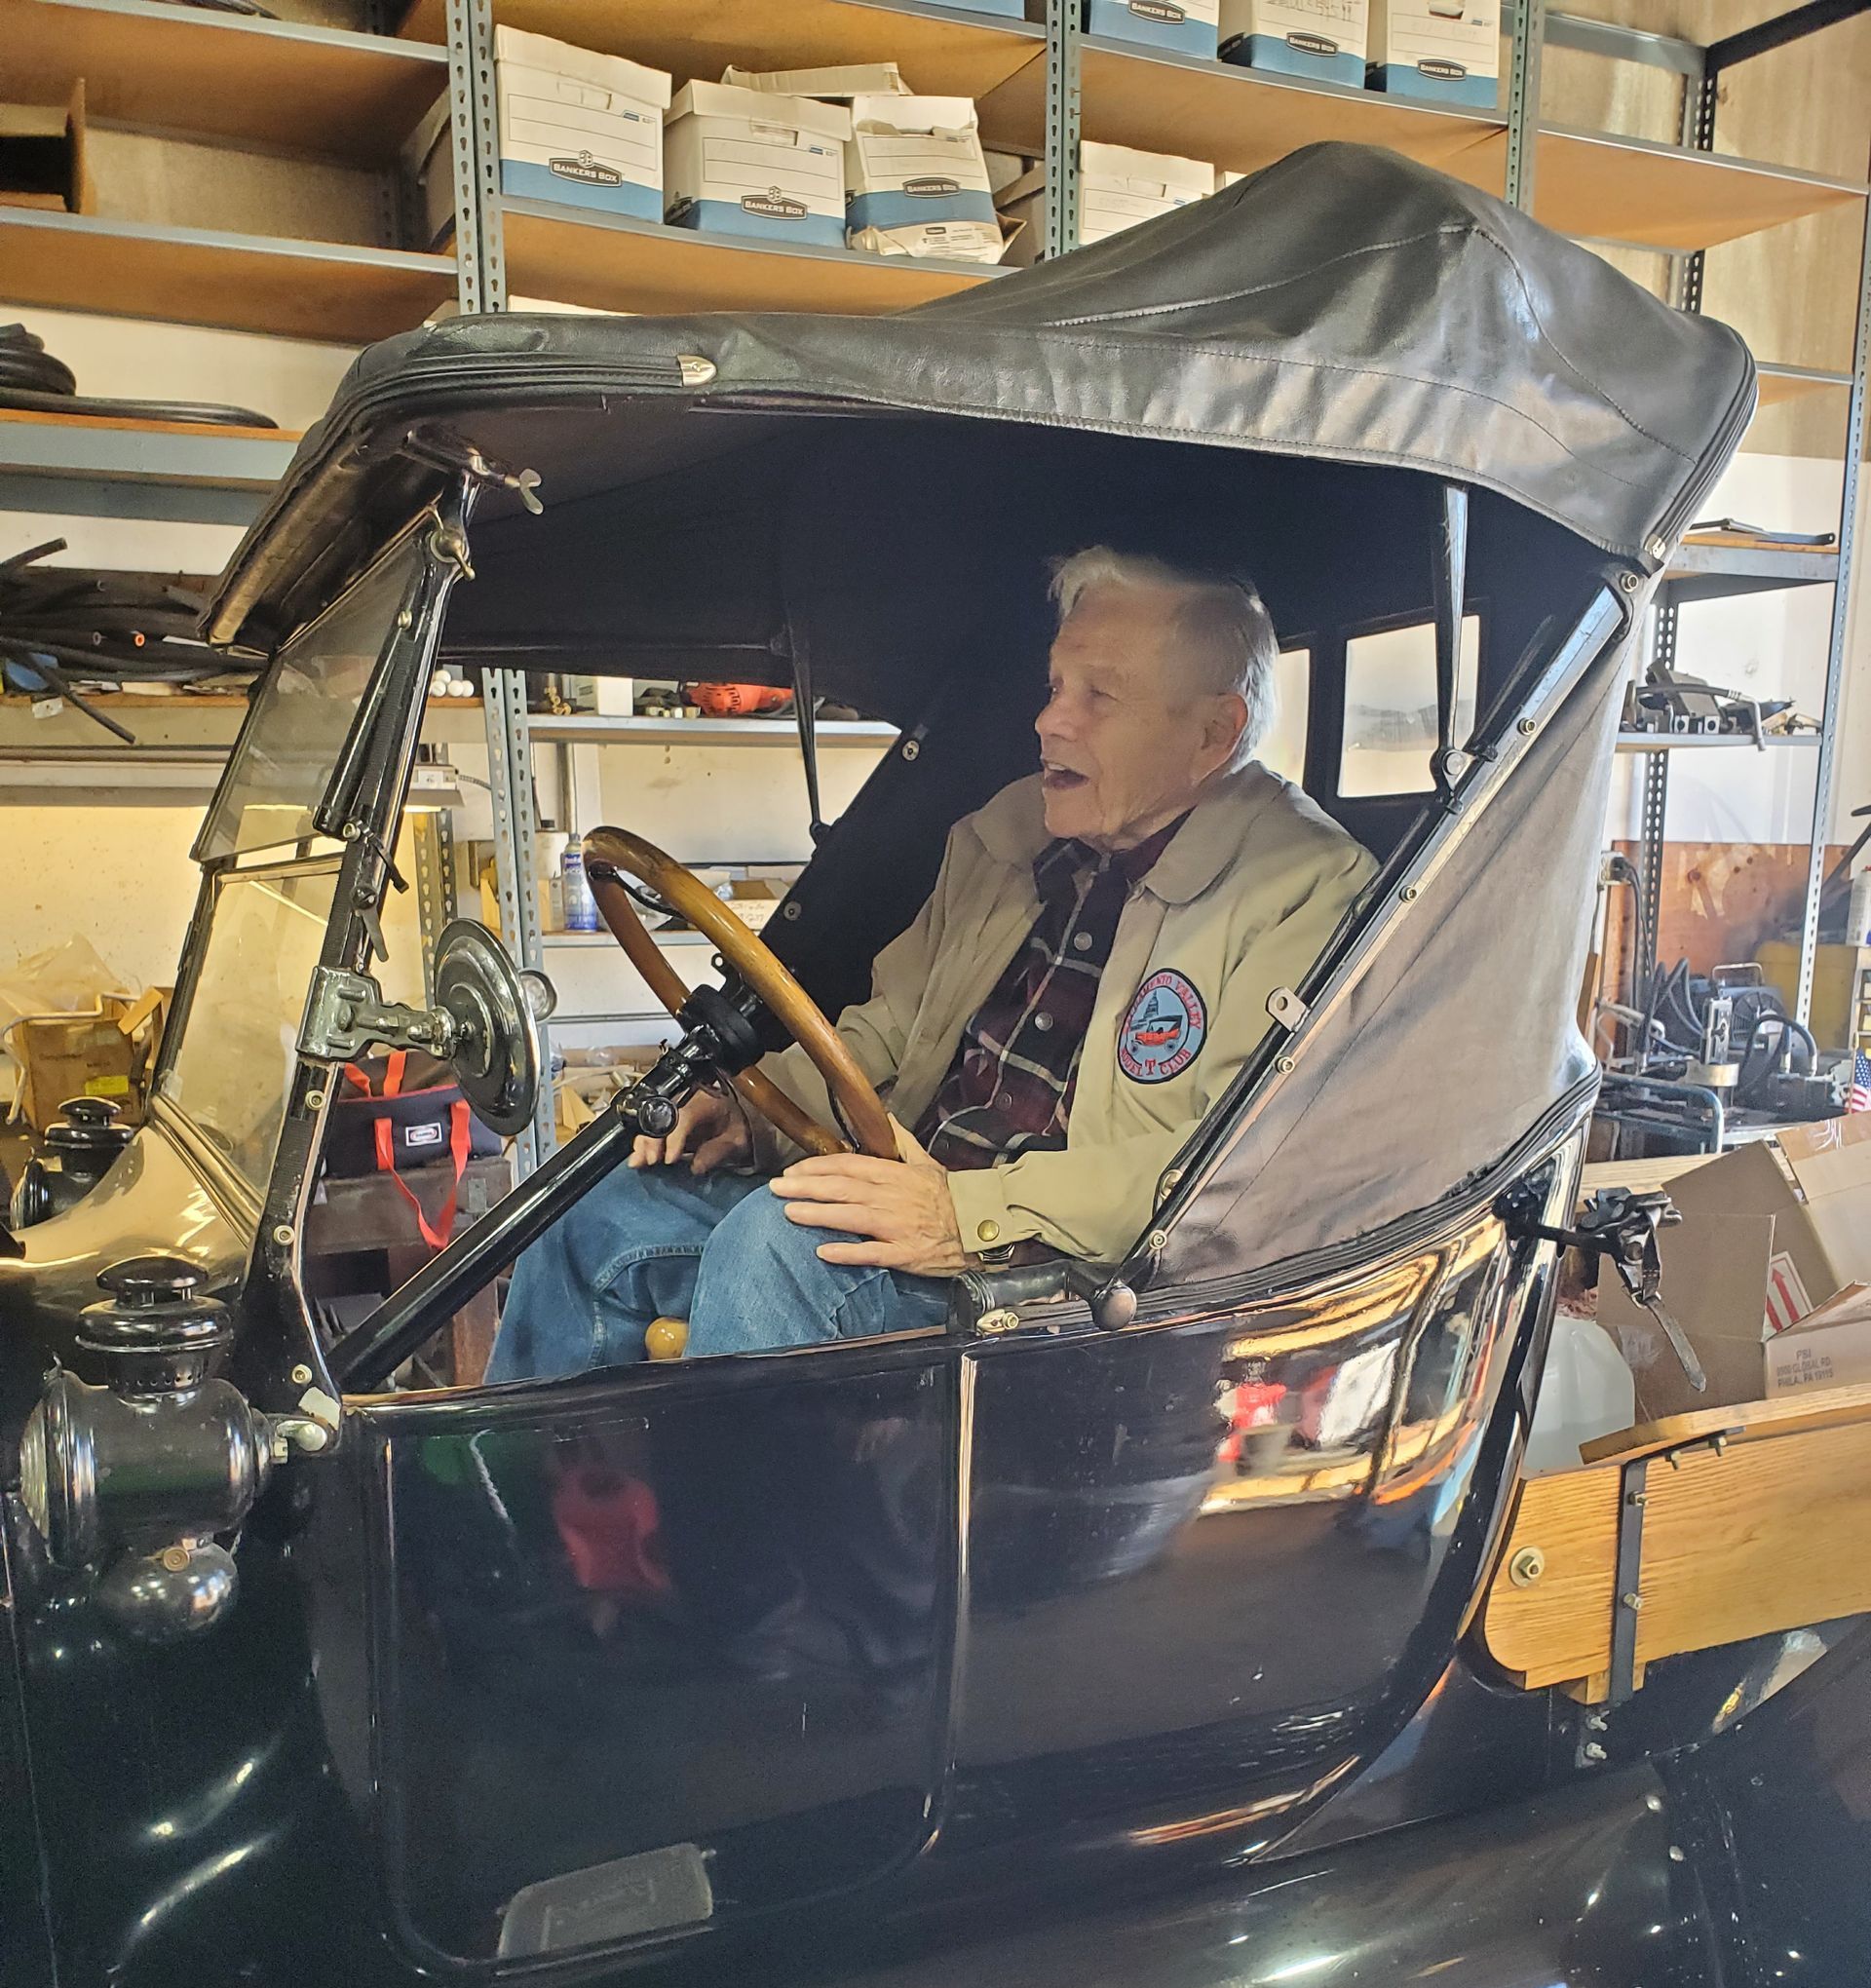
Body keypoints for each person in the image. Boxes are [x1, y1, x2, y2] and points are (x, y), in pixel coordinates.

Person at [486, 547, 1376, 1381]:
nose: (1049, 720)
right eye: (1055, 685)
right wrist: (756, 1112)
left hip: (1068, 1284)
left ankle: (747, 1501)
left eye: (1100, 696)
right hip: (915, 1198)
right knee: (591, 1206)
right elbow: (888, 1034)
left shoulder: (1305, 890)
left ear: (1214, 733)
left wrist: (964, 1213)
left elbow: (1233, 1173)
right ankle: (536, 1491)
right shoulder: (1009, 833)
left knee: (776, 1244)